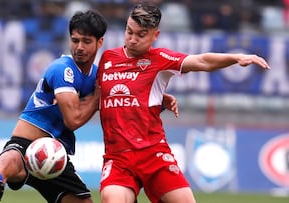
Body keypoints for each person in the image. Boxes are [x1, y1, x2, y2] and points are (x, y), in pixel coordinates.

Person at [97, 3, 270, 203]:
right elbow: (105, 94)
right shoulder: (108, 58)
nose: (132, 39)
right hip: (118, 158)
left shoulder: (160, 59)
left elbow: (202, 61)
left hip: (153, 153)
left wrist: (236, 57)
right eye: (129, 32)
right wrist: (160, 99)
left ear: (155, 35)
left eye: (141, 35)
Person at [0, 10, 107, 203]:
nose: (79, 47)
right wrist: (96, 99)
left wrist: (159, 99)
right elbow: (72, 121)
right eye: (75, 40)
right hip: (26, 141)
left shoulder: (95, 76)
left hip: (54, 155)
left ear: (100, 43)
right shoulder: (63, 69)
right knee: (10, 162)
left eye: (86, 41)